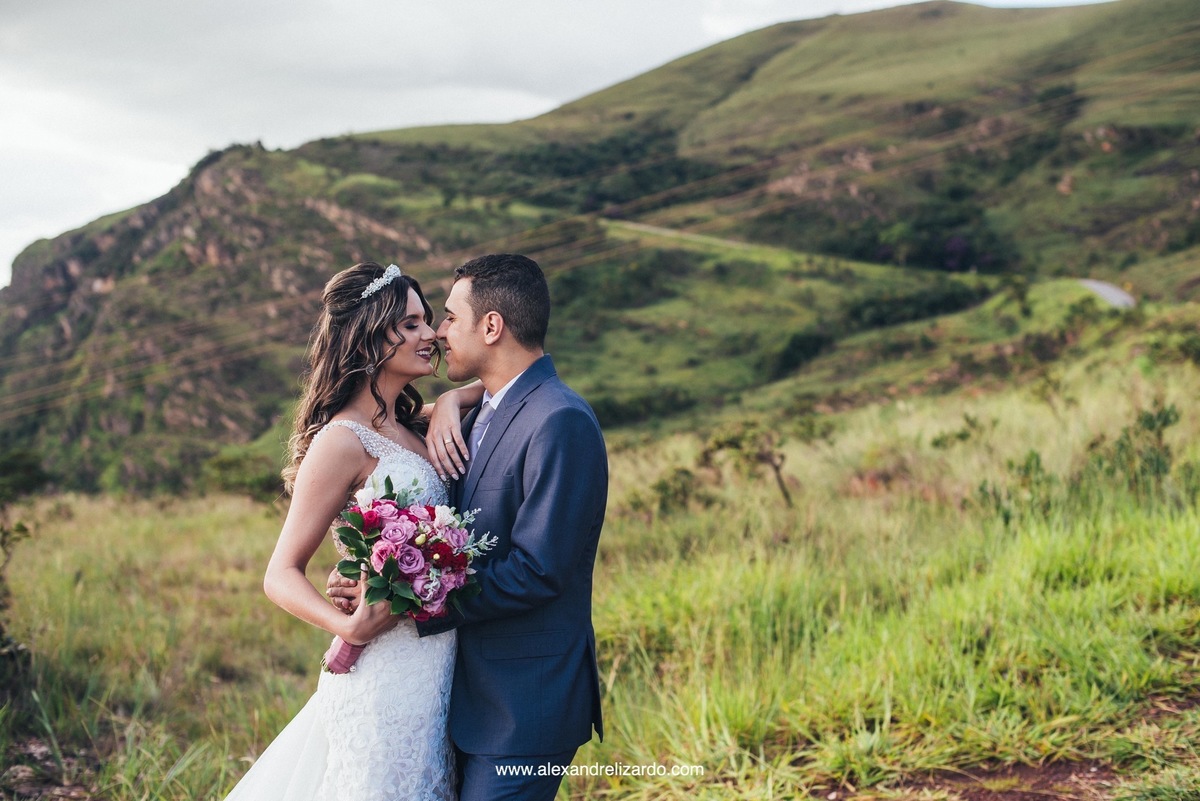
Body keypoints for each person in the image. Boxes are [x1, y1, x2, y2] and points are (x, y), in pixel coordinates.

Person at [329, 253, 609, 801]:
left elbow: (538, 571)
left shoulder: (561, 421)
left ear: (491, 326)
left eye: (450, 317)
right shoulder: (478, 414)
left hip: (524, 706)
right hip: (456, 697)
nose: (437, 332)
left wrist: (406, 596)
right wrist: (374, 572)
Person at [223, 261, 480, 801]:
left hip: (434, 667)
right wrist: (351, 629)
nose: (430, 334)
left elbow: (500, 380)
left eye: (427, 321)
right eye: (409, 324)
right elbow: (280, 574)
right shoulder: (341, 439)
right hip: (382, 669)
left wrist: (452, 400)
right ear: (368, 337)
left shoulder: (408, 424)